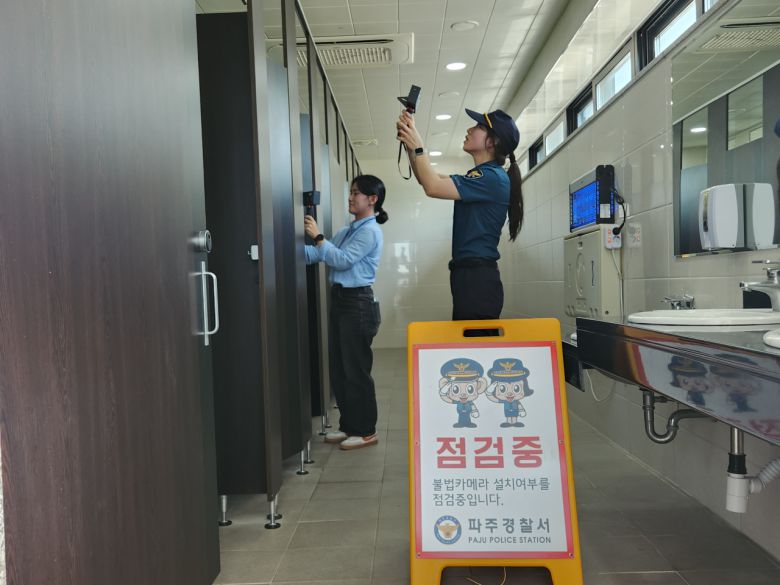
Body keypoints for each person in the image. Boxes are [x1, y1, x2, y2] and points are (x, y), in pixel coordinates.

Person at [396, 108, 524, 321]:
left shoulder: (491, 178)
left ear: (493, 142)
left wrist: (418, 146)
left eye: (479, 127)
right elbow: (427, 179)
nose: (469, 129)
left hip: (477, 278)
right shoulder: (483, 176)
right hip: (471, 276)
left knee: (476, 340)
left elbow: (432, 186)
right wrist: (411, 145)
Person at [304, 175, 387, 450]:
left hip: (357, 303)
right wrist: (280, 250)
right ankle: (349, 426)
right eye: (350, 192)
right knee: (340, 369)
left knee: (356, 370)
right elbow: (320, 254)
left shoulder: (370, 231)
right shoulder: (348, 230)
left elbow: (342, 260)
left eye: (356, 193)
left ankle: (366, 431)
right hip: (342, 301)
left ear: (372, 199)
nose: (350, 198)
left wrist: (318, 237)